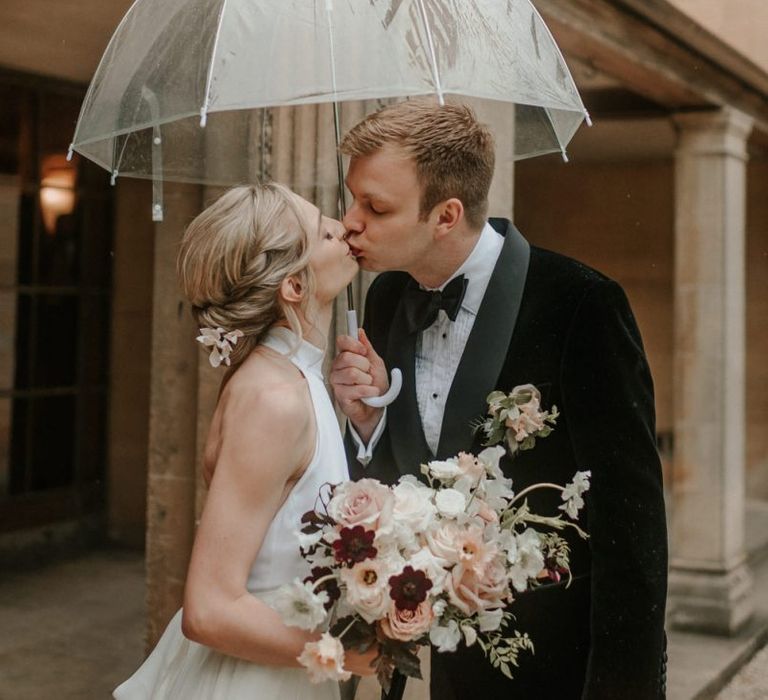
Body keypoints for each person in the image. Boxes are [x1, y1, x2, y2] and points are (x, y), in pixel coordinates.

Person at [330, 100, 668, 699]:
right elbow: (404, 481)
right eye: (352, 199)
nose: (349, 221)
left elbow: (631, 528)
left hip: (548, 667)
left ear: (446, 214)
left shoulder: (583, 305)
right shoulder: (384, 299)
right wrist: (368, 422)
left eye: (374, 206)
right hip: (426, 665)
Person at [113, 183, 375, 699]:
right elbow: (209, 609)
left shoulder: (292, 378)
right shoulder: (272, 400)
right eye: (323, 231)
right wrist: (343, 653)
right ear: (293, 288)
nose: (343, 227)